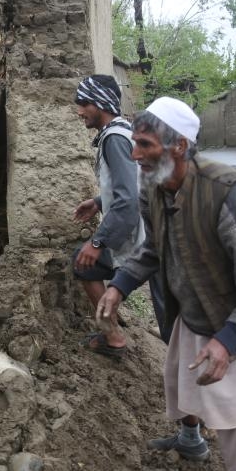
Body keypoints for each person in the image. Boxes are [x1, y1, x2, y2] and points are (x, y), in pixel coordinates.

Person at [97, 96, 236, 471]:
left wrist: (230, 342)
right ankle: (191, 439)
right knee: (180, 385)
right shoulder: (154, 188)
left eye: (143, 144)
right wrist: (119, 285)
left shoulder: (227, 191)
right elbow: (153, 250)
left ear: (178, 145)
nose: (134, 154)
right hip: (193, 315)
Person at [71, 75, 167, 358]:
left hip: (139, 233)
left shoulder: (113, 138)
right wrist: (100, 202)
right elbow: (132, 186)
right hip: (149, 230)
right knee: (165, 303)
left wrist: (98, 242)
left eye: (84, 103)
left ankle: (113, 337)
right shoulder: (122, 131)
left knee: (85, 263)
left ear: (101, 103)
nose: (80, 111)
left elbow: (128, 200)